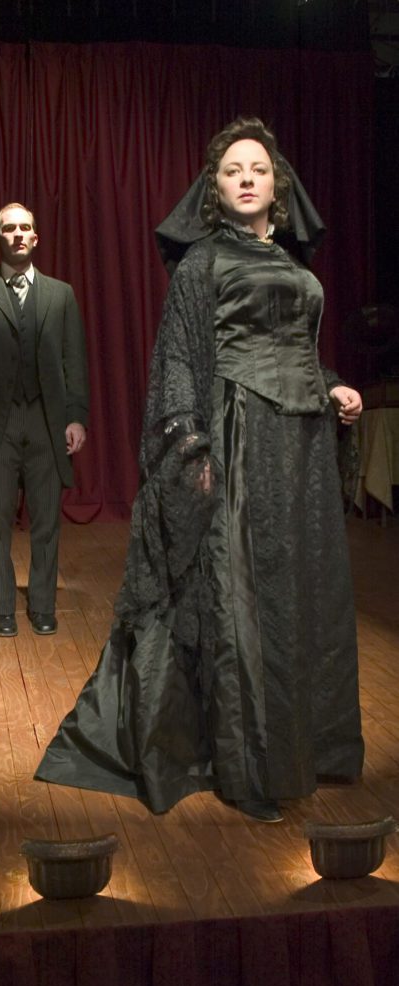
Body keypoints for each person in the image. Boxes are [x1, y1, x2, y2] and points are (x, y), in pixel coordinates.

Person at [35, 117, 364, 823]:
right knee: (240, 600)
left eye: (259, 169)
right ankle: (249, 770)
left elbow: (294, 346)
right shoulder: (200, 263)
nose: (247, 178)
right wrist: (189, 446)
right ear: (212, 191)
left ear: (278, 186)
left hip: (299, 449)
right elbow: (179, 357)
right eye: (231, 171)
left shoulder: (296, 265)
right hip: (237, 436)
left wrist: (331, 383)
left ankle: (310, 747)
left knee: (297, 597)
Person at [0, 203, 89, 638]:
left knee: (47, 518)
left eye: (25, 227)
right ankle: (3, 606)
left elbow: (74, 360)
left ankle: (43, 605)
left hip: (48, 422)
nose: (17, 234)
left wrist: (76, 417)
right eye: (8, 228)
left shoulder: (60, 293)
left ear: (36, 237)